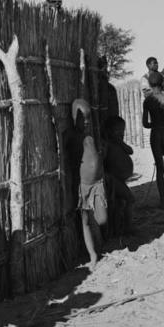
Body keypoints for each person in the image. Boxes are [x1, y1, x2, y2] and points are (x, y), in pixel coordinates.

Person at [67, 99, 107, 269]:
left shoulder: (90, 135)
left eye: (88, 119)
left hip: (98, 183)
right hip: (83, 185)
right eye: (82, 119)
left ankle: (98, 242)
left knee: (102, 219)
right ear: (73, 118)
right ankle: (93, 255)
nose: (86, 122)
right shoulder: (70, 135)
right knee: (84, 221)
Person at [143, 71, 164, 208]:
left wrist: (155, 124)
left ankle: (162, 199)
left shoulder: (148, 101)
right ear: (162, 83)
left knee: (159, 166)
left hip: (156, 134)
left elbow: (145, 123)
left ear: (150, 84)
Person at [102, 116, 135, 234]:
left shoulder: (119, 144)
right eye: (118, 131)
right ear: (109, 131)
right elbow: (103, 162)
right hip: (113, 179)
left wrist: (120, 142)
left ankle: (117, 229)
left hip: (119, 179)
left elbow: (130, 151)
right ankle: (128, 228)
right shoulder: (107, 144)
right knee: (130, 199)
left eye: (123, 130)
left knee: (119, 203)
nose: (121, 133)